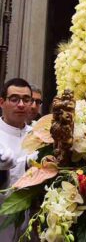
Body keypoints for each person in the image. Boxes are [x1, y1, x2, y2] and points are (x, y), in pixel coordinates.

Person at [0, 78, 34, 240]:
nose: (21, 104)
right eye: (14, 99)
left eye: (26, 99)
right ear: (2, 102)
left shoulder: (39, 134)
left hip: (31, 221)